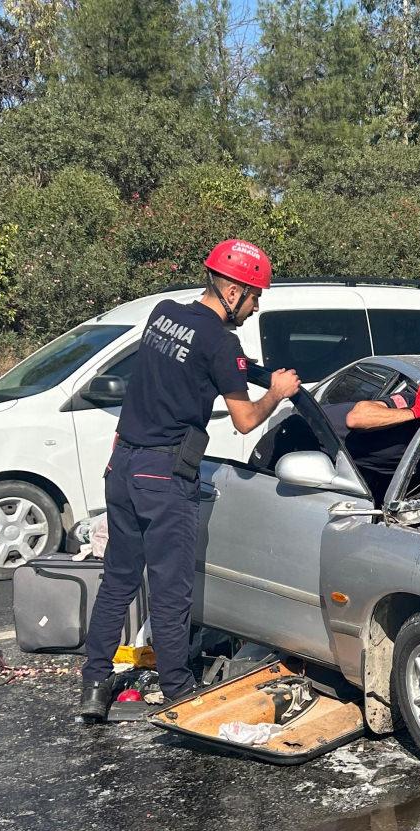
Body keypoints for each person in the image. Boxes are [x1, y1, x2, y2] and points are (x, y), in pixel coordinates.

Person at [76, 240, 301, 724]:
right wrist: (278, 394)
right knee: (171, 589)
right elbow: (243, 420)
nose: (258, 304)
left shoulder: (163, 314)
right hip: (164, 476)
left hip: (122, 466)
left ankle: (93, 687)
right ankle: (179, 690)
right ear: (236, 289)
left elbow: (174, 372)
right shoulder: (222, 342)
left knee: (118, 581)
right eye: (256, 295)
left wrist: (251, 373)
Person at [321, 377, 420, 503]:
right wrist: (415, 412)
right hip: (309, 430)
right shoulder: (413, 404)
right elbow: (356, 418)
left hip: (323, 466)